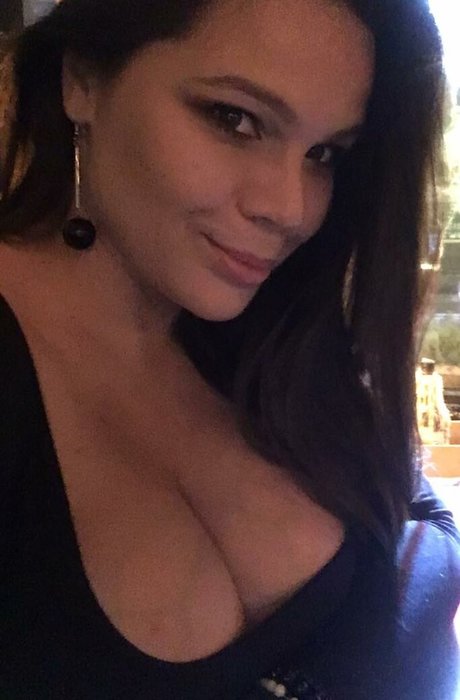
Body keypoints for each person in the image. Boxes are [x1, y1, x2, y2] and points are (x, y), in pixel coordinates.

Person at [0, 0, 459, 698]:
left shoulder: (274, 333)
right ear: (81, 81)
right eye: (235, 119)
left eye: (324, 155)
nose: (290, 208)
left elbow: (418, 519)